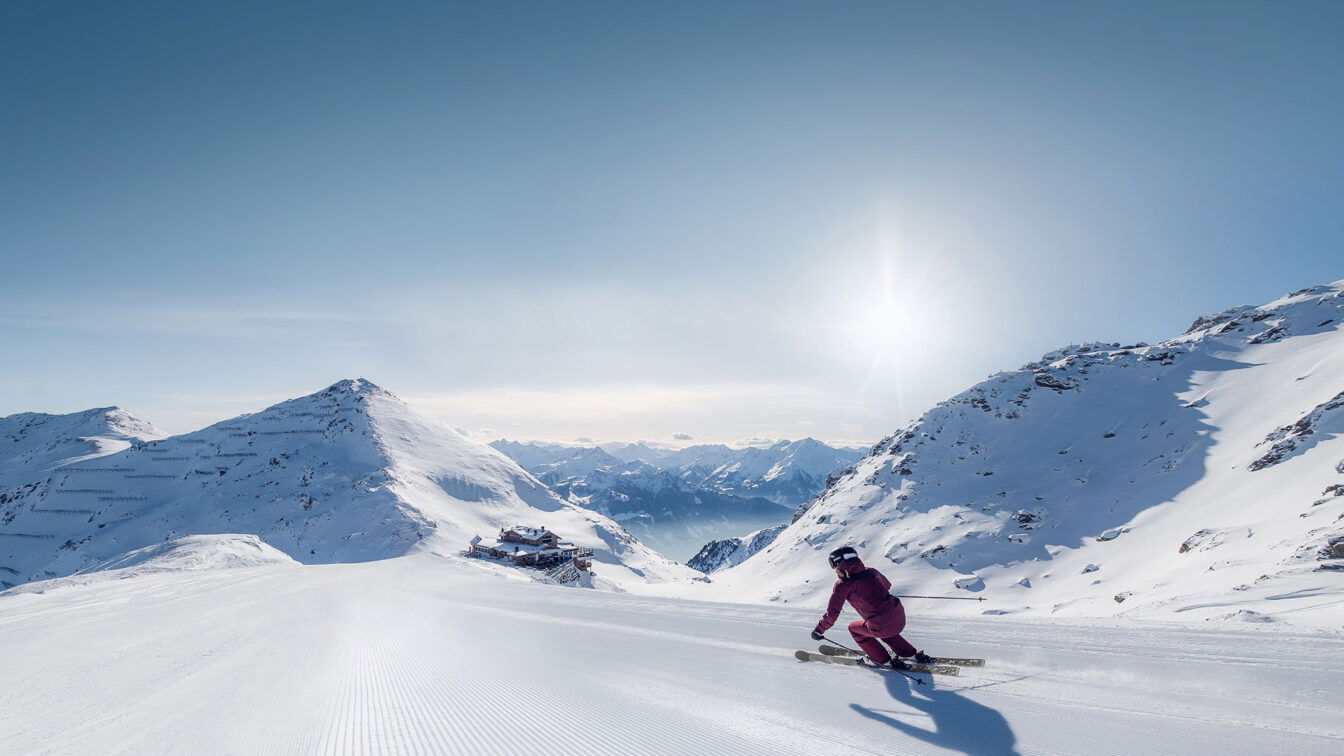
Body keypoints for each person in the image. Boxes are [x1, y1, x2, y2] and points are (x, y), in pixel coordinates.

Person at [809, 546, 937, 670]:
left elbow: (832, 614)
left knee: (854, 629)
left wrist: (819, 630)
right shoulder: (871, 571)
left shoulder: (843, 585)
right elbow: (887, 585)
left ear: (837, 564)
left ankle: (882, 660)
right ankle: (910, 654)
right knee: (881, 628)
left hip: (881, 624)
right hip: (898, 617)